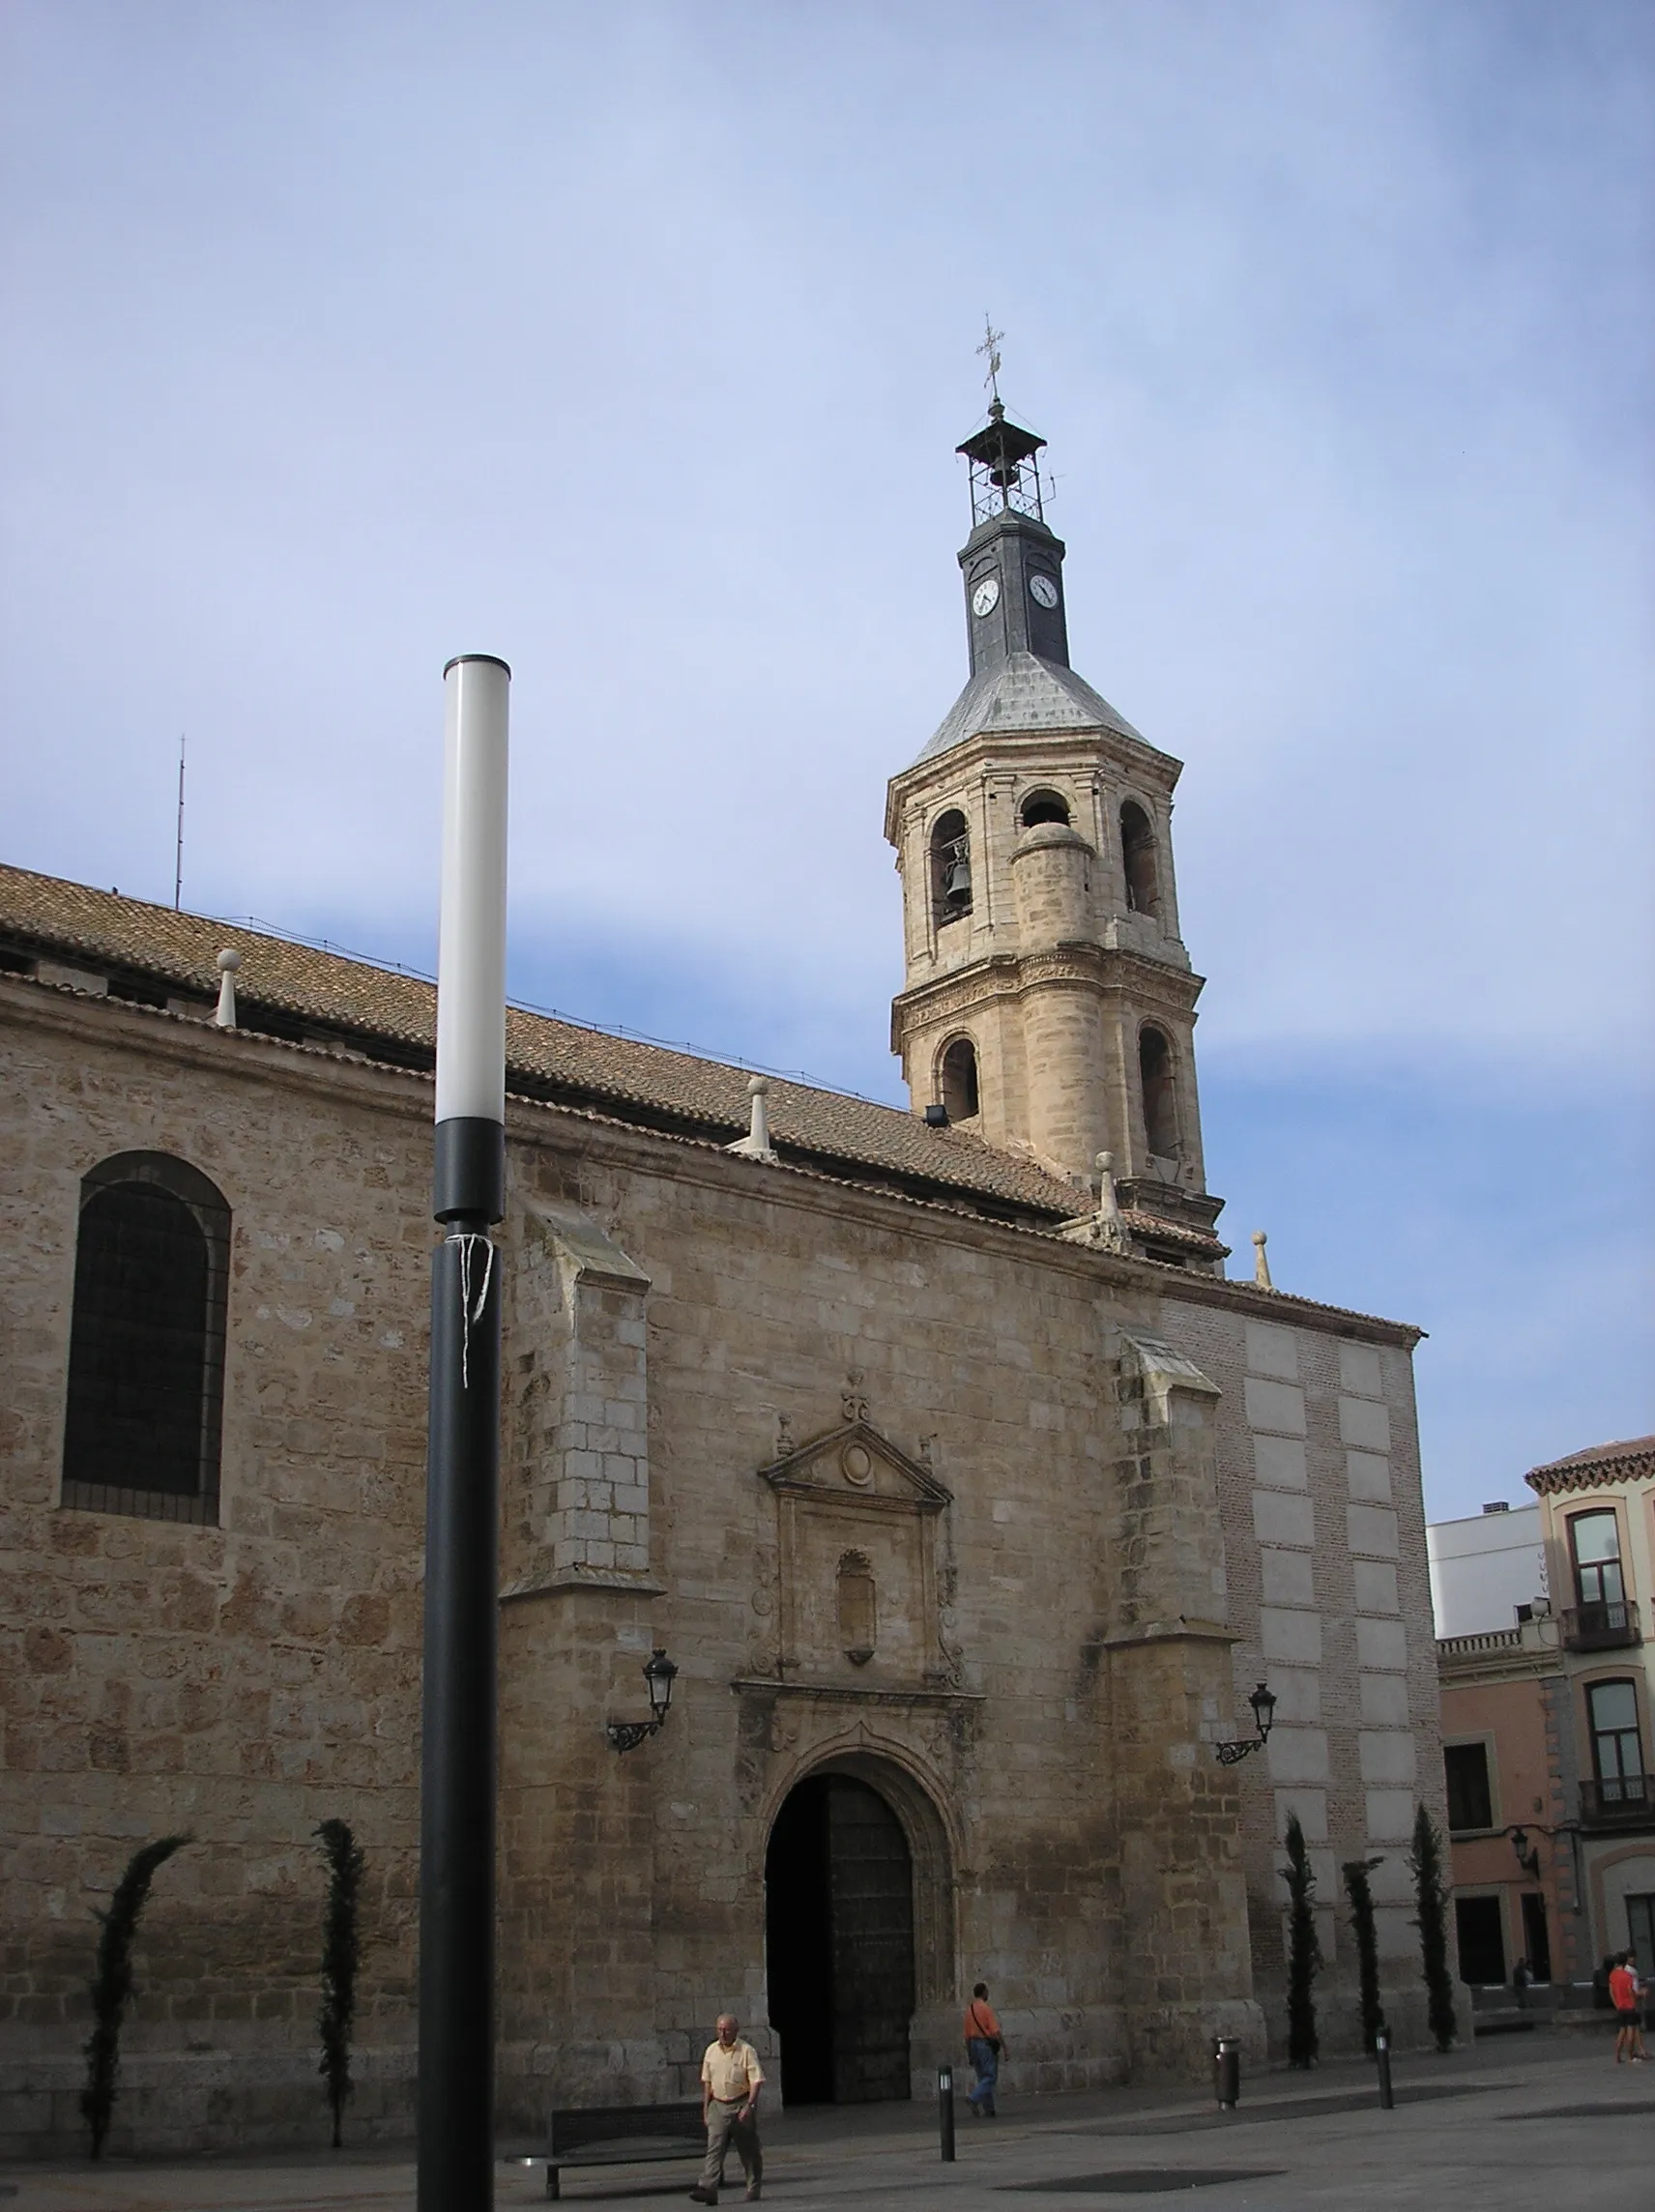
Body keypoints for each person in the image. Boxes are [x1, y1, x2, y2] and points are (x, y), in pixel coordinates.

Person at [689, 2012, 764, 2204]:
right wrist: (706, 2108)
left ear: (736, 2031)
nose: (722, 2034)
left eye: (726, 2030)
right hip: (718, 2105)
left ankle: (753, 2187)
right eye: (720, 2029)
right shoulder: (711, 2051)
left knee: (748, 2151)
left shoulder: (747, 2051)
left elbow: (755, 2080)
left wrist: (750, 2105)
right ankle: (708, 2188)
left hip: (741, 2104)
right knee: (714, 2149)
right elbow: (707, 2083)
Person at [963, 1981, 1005, 2118]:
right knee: (990, 2077)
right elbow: (995, 2031)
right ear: (984, 1993)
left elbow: (967, 2036)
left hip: (973, 2045)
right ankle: (973, 2098)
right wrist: (1005, 2047)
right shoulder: (986, 2009)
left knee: (982, 2077)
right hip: (985, 2045)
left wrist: (969, 2053)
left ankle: (989, 2108)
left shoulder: (970, 2010)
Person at [1608, 1951, 1643, 2063]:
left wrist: (1617, 2004)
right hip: (1629, 2006)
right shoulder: (1627, 1976)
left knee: (1621, 2032)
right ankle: (1630, 2056)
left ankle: (1617, 2056)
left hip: (1620, 2007)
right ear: (1625, 1962)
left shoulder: (1612, 1975)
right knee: (1631, 2030)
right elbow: (1630, 1991)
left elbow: (1611, 1991)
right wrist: (1637, 1999)